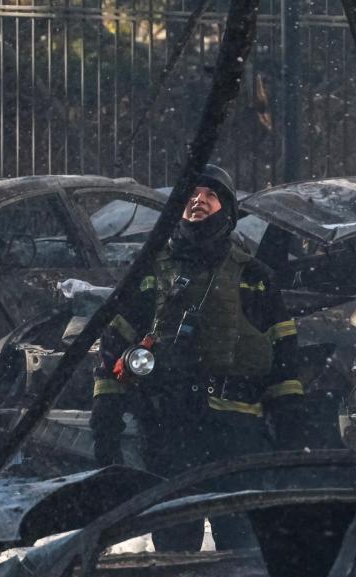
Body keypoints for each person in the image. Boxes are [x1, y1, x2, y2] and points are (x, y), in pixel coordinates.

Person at [91, 164, 307, 550]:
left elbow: (284, 357)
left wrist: (289, 426)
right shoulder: (149, 273)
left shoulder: (254, 277)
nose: (197, 200)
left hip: (238, 437)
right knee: (174, 551)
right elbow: (112, 352)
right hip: (170, 431)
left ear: (227, 211)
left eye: (210, 195)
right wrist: (105, 425)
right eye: (191, 195)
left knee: (242, 550)